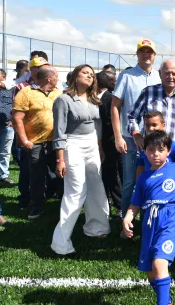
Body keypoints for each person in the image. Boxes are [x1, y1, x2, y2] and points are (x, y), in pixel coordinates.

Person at [122, 130, 175, 305]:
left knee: (159, 264)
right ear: (145, 152)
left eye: (160, 150)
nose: (155, 154)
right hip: (150, 222)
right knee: (151, 271)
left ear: (168, 151)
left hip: (172, 217)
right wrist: (128, 218)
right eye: (151, 150)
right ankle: (168, 300)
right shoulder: (143, 178)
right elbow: (135, 204)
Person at [50, 64, 110, 255]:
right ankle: (61, 243)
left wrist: (99, 147)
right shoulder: (63, 100)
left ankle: (97, 228)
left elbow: (97, 125)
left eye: (92, 75)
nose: (90, 76)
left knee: (96, 187)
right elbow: (58, 132)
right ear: (75, 76)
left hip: (92, 144)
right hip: (72, 145)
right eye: (86, 73)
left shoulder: (93, 100)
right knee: (76, 191)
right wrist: (60, 159)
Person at [112, 39, 161, 224]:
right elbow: (115, 107)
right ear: (137, 54)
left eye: (150, 51)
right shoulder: (127, 76)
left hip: (154, 138)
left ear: (154, 55)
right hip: (131, 138)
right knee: (130, 183)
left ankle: (150, 220)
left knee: (153, 180)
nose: (146, 54)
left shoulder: (159, 76)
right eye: (142, 51)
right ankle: (127, 221)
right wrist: (118, 136)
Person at [12, 66, 63, 219]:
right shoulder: (26, 93)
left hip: (56, 142)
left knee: (60, 174)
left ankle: (61, 204)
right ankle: (37, 206)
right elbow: (17, 118)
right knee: (37, 176)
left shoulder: (58, 93)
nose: (58, 79)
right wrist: (24, 140)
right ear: (48, 78)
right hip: (35, 143)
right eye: (56, 76)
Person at [96, 70, 122, 217]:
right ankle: (105, 201)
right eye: (113, 80)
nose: (116, 83)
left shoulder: (110, 98)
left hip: (109, 143)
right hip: (98, 142)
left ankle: (119, 205)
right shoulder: (95, 98)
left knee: (112, 174)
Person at [135, 111, 175, 179]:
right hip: (150, 184)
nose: (150, 128)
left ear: (163, 125)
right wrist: (139, 183)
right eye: (147, 125)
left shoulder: (172, 144)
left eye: (154, 125)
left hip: (169, 182)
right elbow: (140, 166)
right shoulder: (143, 145)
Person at [0, 69, 15, 187]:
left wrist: (13, 119)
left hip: (7, 126)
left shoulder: (12, 89)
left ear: (3, 77)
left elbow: (17, 105)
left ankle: (4, 175)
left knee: (5, 153)